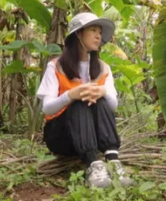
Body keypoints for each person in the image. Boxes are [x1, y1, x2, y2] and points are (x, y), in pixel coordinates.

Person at [36, 12, 133, 188]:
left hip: (92, 137)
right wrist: (71, 95)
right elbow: (47, 108)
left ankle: (112, 160)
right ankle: (93, 165)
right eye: (93, 30)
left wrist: (102, 91)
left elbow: (113, 106)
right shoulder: (56, 66)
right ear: (78, 34)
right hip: (62, 137)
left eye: (100, 32)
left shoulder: (103, 68)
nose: (98, 36)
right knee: (80, 100)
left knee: (100, 99)